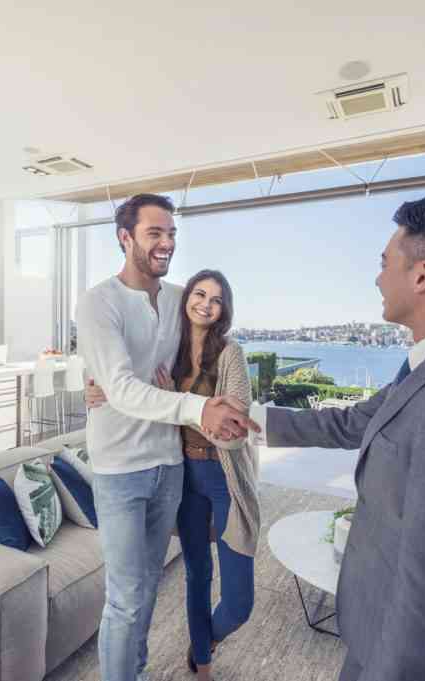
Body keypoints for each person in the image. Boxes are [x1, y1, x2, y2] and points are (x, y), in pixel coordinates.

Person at [246, 193, 425, 681]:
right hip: (375, 624)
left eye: (385, 263)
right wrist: (253, 419)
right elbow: (357, 422)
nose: (378, 277)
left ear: (423, 274)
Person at [75, 194, 257, 681]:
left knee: (149, 590)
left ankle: (133, 671)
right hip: (120, 469)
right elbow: (122, 385)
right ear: (125, 237)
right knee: (126, 597)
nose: (166, 243)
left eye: (171, 233)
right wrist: (196, 407)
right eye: (155, 233)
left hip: (170, 465)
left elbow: (206, 351)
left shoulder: (180, 298)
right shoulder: (98, 302)